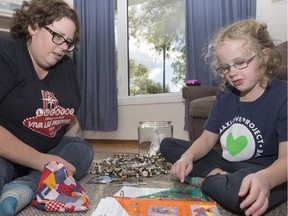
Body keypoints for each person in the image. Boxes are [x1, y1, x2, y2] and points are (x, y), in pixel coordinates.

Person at [160, 19, 287, 216]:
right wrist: (187, 158)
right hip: (225, 163)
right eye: (226, 68)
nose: (232, 73)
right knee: (168, 145)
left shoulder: (283, 95)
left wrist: (266, 179)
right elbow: (206, 139)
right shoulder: (226, 94)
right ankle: (219, 178)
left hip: (262, 171)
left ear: (264, 56)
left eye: (240, 62)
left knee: (244, 196)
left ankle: (203, 181)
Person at [0, 0, 94, 215]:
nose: (63, 47)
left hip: (48, 152)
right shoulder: (6, 53)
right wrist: (41, 161)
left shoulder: (66, 67)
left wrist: (70, 138)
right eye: (58, 36)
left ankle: (23, 187)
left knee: (82, 151)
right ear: (33, 26)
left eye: (68, 42)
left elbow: (69, 115)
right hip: (6, 153)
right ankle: (32, 181)